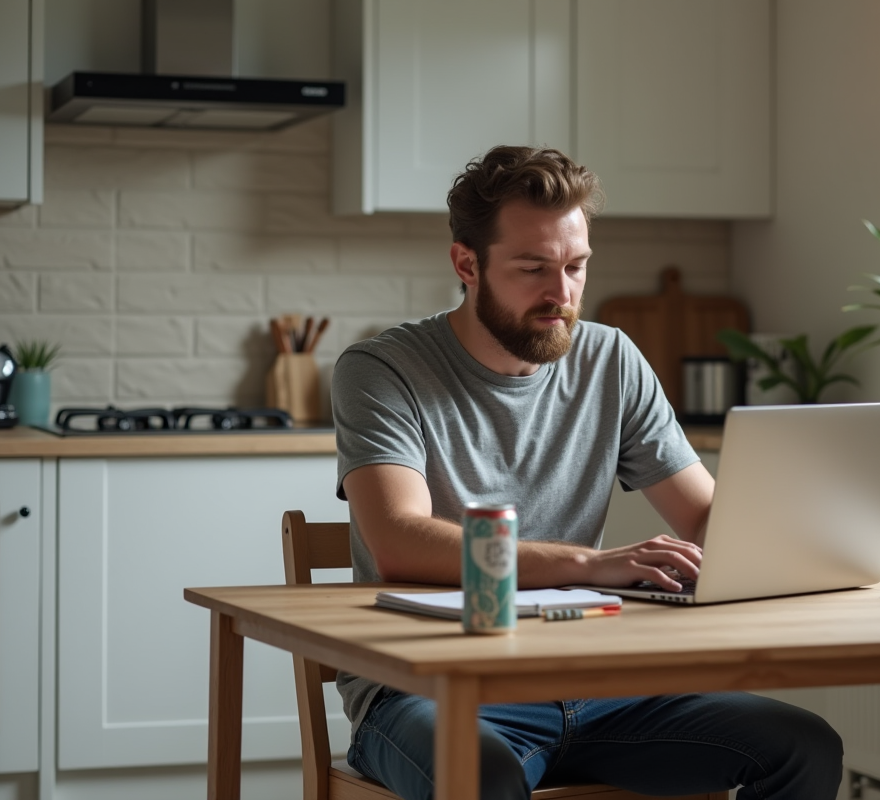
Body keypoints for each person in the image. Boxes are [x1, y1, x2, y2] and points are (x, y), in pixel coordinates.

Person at [331, 145, 843, 800]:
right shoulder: (383, 369)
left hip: (597, 685)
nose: (562, 294)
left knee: (802, 746)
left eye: (576, 267)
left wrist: (803, 539)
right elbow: (399, 541)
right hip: (426, 691)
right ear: (467, 264)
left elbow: (707, 518)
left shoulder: (611, 358)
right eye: (533, 269)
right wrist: (588, 564)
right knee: (480, 775)